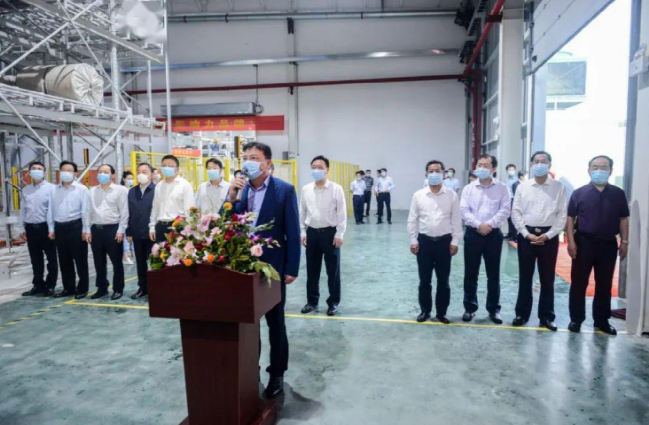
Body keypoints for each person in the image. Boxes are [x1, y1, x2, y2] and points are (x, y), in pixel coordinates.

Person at [227, 142, 300, 399]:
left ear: (267, 163)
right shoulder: (240, 189)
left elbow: (292, 231)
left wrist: (291, 268)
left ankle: (277, 373)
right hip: (243, 266)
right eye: (245, 157)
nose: (248, 162)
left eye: (254, 157)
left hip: (272, 267)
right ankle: (251, 369)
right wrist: (231, 197)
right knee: (248, 322)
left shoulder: (284, 190)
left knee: (275, 322)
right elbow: (226, 223)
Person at [566, 155, 629, 335]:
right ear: (589, 170)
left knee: (604, 284)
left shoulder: (618, 193)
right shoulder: (579, 193)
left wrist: (624, 241)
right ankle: (576, 319)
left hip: (608, 244)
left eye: (603, 167)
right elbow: (570, 218)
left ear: (611, 171)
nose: (599, 170)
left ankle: (601, 321)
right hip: (583, 243)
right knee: (579, 283)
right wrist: (571, 241)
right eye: (595, 167)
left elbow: (623, 219)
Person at [511, 152, 567, 331]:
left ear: (550, 165)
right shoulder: (523, 187)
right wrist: (526, 234)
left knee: (547, 279)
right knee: (525, 277)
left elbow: (562, 214)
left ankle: (547, 317)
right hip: (526, 236)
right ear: (531, 164)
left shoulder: (559, 187)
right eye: (536, 161)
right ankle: (521, 314)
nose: (540, 164)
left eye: (544, 162)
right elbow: (516, 212)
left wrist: (549, 235)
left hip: (548, 238)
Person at [408, 160, 463, 324]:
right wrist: (413, 240)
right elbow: (412, 219)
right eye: (431, 171)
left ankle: (441, 313)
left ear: (443, 174)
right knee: (424, 280)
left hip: (444, 243)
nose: (434, 174)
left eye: (437, 171)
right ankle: (425, 311)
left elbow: (456, 220)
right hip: (424, 242)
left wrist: (455, 241)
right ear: (426, 174)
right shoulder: (418, 195)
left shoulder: (452, 195)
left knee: (443, 281)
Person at [460, 154, 511, 324]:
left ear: (493, 169)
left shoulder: (502, 188)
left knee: (493, 274)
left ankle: (493, 309)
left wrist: (489, 224)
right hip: (473, 234)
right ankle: (469, 308)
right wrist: (478, 225)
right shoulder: (468, 189)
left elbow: (505, 210)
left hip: (493, 235)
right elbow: (464, 210)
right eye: (479, 165)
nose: (481, 168)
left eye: (486, 166)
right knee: (470, 273)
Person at [300, 155, 347, 317]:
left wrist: (340, 234)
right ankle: (312, 302)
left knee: (333, 271)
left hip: (330, 234)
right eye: (314, 167)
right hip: (312, 233)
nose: (316, 170)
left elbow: (341, 213)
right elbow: (302, 211)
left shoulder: (336, 189)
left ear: (327, 170)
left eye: (320, 167)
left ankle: (333, 303)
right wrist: (303, 231)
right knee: (312, 270)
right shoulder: (306, 189)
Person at [84, 164, 129, 300]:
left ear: (112, 175)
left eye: (105, 172)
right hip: (96, 229)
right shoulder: (92, 190)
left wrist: (121, 230)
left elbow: (124, 211)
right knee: (99, 262)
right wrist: (87, 230)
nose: (102, 174)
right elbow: (88, 211)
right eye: (100, 172)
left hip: (113, 229)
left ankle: (118, 289)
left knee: (116, 262)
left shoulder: (120, 190)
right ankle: (102, 288)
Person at [51, 161, 90, 299]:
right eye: (63, 170)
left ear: (75, 173)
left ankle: (83, 288)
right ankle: (68, 288)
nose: (66, 173)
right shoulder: (54, 190)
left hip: (76, 226)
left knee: (80, 260)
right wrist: (51, 228)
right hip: (59, 227)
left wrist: (86, 229)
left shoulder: (82, 189)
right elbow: (51, 210)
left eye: (69, 170)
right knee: (64, 260)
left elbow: (85, 211)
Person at [20, 161, 57, 297]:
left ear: (44, 172)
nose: (36, 171)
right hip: (31, 228)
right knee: (35, 259)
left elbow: (53, 210)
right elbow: (23, 209)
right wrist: (21, 228)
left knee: (51, 258)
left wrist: (52, 229)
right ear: (30, 172)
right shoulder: (26, 189)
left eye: (39, 169)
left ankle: (50, 285)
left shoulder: (52, 189)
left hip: (46, 228)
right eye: (33, 169)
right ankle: (38, 285)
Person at [126, 163, 156, 300]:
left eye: (144, 172)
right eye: (138, 171)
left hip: (152, 233)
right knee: (140, 262)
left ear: (151, 174)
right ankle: (143, 287)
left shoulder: (156, 190)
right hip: (137, 232)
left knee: (155, 262)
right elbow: (129, 212)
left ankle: (156, 288)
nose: (141, 174)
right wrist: (129, 232)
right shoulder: (132, 191)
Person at [149, 155, 195, 243]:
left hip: (177, 227)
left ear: (177, 169)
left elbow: (189, 210)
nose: (166, 168)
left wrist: (187, 230)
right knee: (160, 251)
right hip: (160, 226)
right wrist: (152, 226)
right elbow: (155, 208)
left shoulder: (185, 185)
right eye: (164, 165)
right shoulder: (159, 186)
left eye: (170, 166)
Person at [121, 171, 135, 265]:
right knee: (125, 237)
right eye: (128, 179)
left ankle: (134, 253)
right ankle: (125, 256)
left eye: (132, 179)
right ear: (124, 179)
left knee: (132, 236)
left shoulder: (133, 190)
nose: (130, 180)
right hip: (124, 216)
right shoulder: (122, 190)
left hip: (132, 216)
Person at [505, 164, 518, 240]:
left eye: (512, 169)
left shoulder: (517, 179)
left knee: (514, 217)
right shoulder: (506, 179)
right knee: (509, 217)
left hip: (514, 199)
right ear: (507, 171)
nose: (511, 171)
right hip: (507, 199)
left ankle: (515, 235)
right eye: (510, 170)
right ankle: (510, 233)